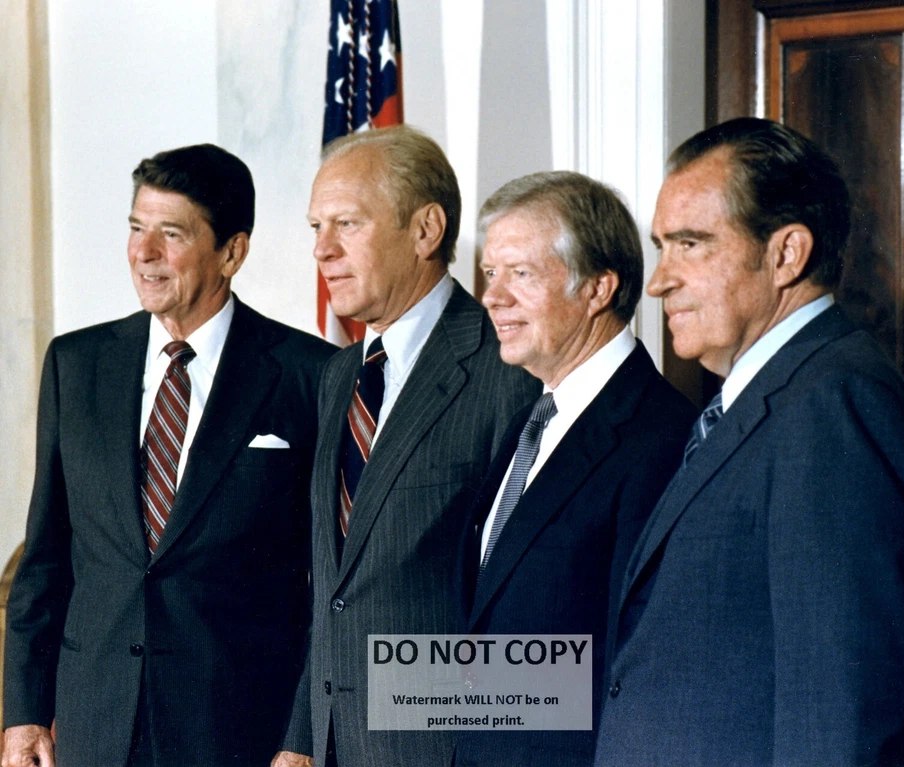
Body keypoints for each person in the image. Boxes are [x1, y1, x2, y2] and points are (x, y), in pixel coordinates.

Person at [595, 117, 904, 766]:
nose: (659, 280)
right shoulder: (766, 397)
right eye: (662, 246)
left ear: (787, 255)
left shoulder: (834, 402)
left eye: (690, 244)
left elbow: (839, 715)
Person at [2, 144, 336, 767]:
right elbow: (45, 559)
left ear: (232, 252)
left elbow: (329, 588)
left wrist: (302, 737)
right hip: (95, 727)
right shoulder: (76, 364)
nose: (143, 252)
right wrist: (23, 714)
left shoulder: (311, 374)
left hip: (238, 731)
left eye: (171, 234)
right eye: (136, 228)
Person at [275, 126, 540, 767]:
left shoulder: (509, 366)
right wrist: (303, 739)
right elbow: (335, 589)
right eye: (316, 227)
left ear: (425, 230)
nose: (322, 249)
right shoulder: (340, 374)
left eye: (347, 224)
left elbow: (529, 614)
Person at [452, 172, 695, 767]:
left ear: (598, 289)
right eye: (490, 273)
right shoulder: (531, 418)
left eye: (520, 274)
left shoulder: (661, 437)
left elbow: (636, 669)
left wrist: (398, 691)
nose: (492, 297)